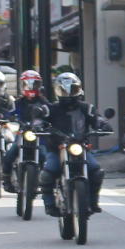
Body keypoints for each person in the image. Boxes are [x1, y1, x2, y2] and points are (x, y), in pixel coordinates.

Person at [39, 70, 108, 217]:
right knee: (47, 173)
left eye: (72, 90)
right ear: (57, 91)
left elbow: (97, 119)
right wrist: (38, 125)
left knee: (96, 171)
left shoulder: (86, 108)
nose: (68, 94)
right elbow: (40, 119)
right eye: (63, 90)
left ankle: (93, 201)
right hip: (57, 149)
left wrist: (103, 125)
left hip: (81, 148)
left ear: (79, 89)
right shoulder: (51, 109)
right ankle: (49, 204)